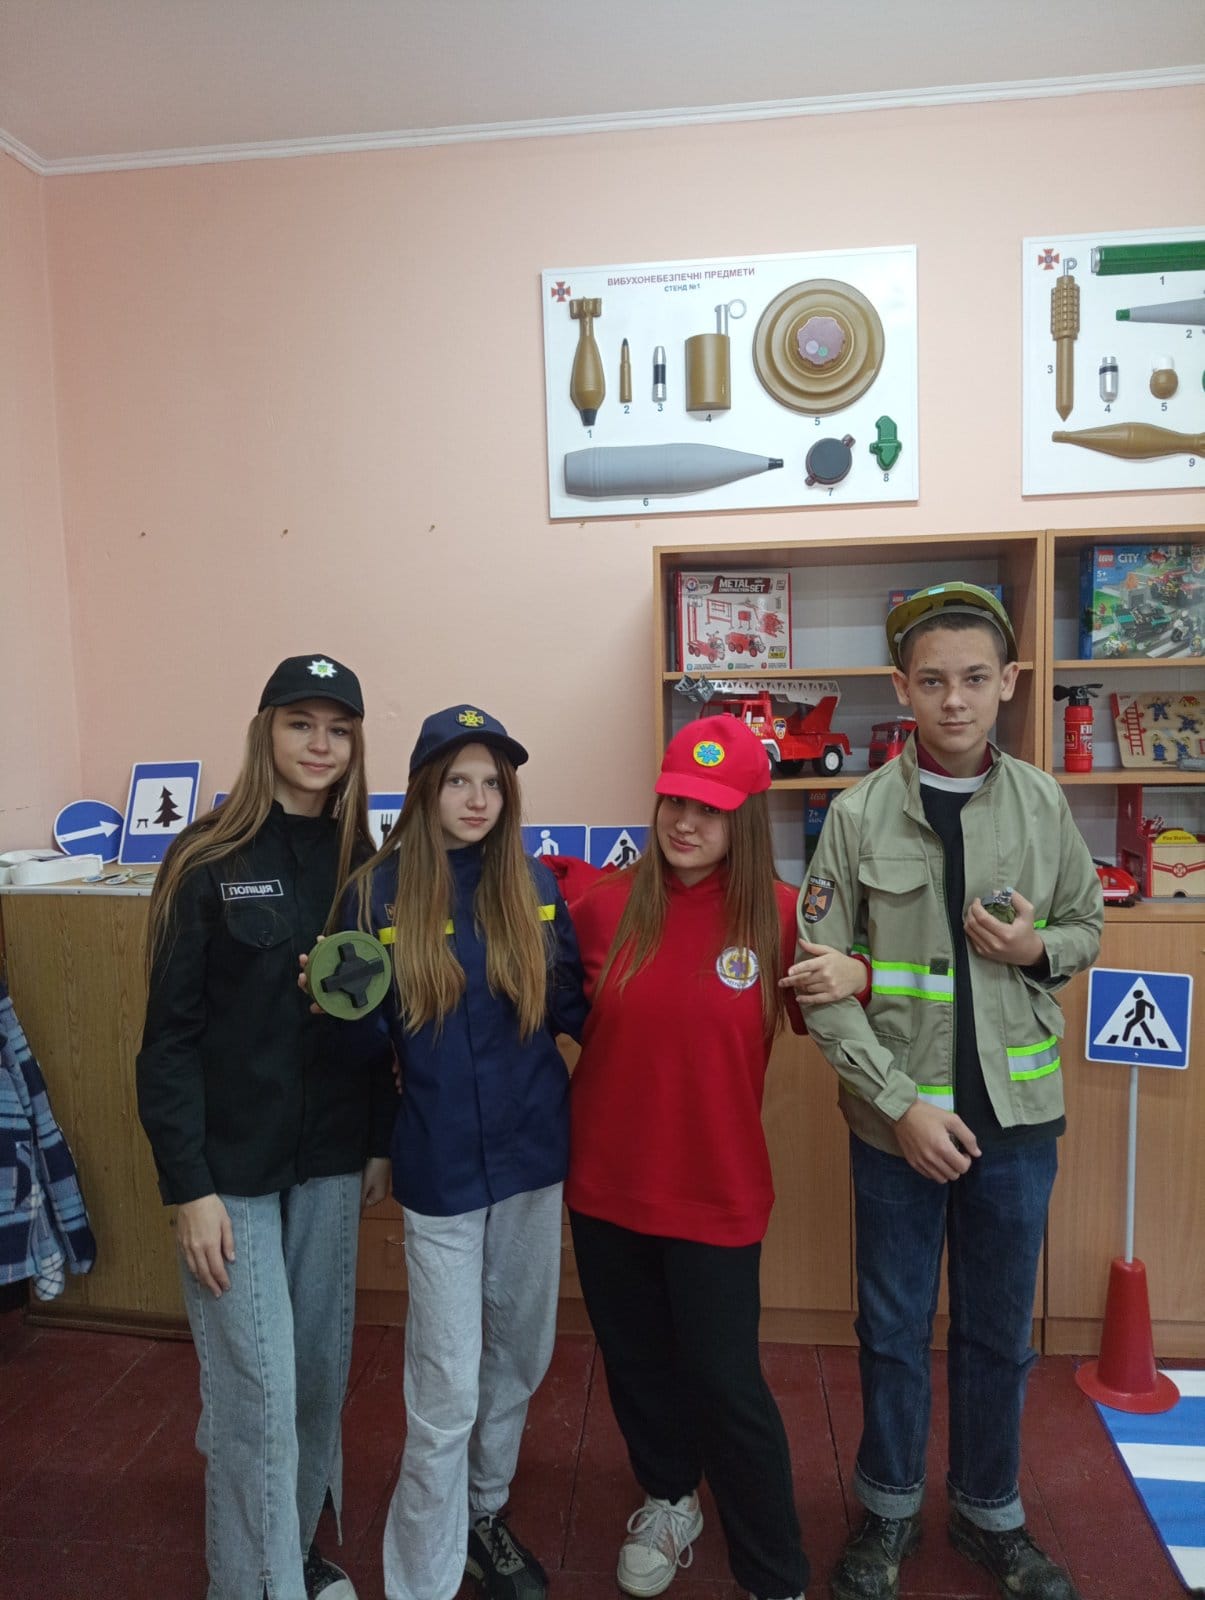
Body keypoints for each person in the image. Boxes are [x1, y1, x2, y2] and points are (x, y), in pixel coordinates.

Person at [793, 583, 1103, 1600]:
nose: (954, 700)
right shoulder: (856, 815)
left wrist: (1033, 948)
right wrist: (900, 1107)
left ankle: (987, 1510)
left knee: (996, 1334)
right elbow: (819, 980)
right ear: (900, 688)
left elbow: (1084, 928)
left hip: (1015, 1125)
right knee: (890, 1330)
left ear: (1008, 681)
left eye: (974, 678)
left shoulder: (1041, 803)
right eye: (931, 681)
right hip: (896, 1130)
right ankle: (886, 1507)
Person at [564, 713, 867, 1600]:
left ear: (745, 818)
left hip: (716, 1192)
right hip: (605, 1188)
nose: (685, 822)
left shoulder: (780, 917)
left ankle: (775, 1571)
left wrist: (861, 971)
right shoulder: (601, 908)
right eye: (674, 802)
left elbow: (851, 1009)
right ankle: (668, 1497)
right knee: (635, 1364)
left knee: (726, 1384)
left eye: (710, 808)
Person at [137, 654, 396, 1600]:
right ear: (266, 732)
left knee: (316, 1382)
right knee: (257, 1396)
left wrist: (378, 1140)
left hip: (329, 1163)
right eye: (300, 724)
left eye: (338, 730)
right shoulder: (205, 857)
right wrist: (188, 1188)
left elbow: (381, 1024)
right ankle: (254, 1583)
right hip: (229, 1177)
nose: (320, 745)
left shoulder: (367, 867)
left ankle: (291, 1553)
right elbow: (167, 1040)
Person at [340, 705, 587, 1600]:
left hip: (532, 1159)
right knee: (445, 1384)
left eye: (492, 783)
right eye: (458, 781)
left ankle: (484, 1515)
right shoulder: (374, 895)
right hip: (440, 1168)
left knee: (517, 1356)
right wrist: (333, 1012)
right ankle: (421, 1578)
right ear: (424, 789)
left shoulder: (532, 883)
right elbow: (362, 1047)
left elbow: (572, 1006)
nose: (477, 798)